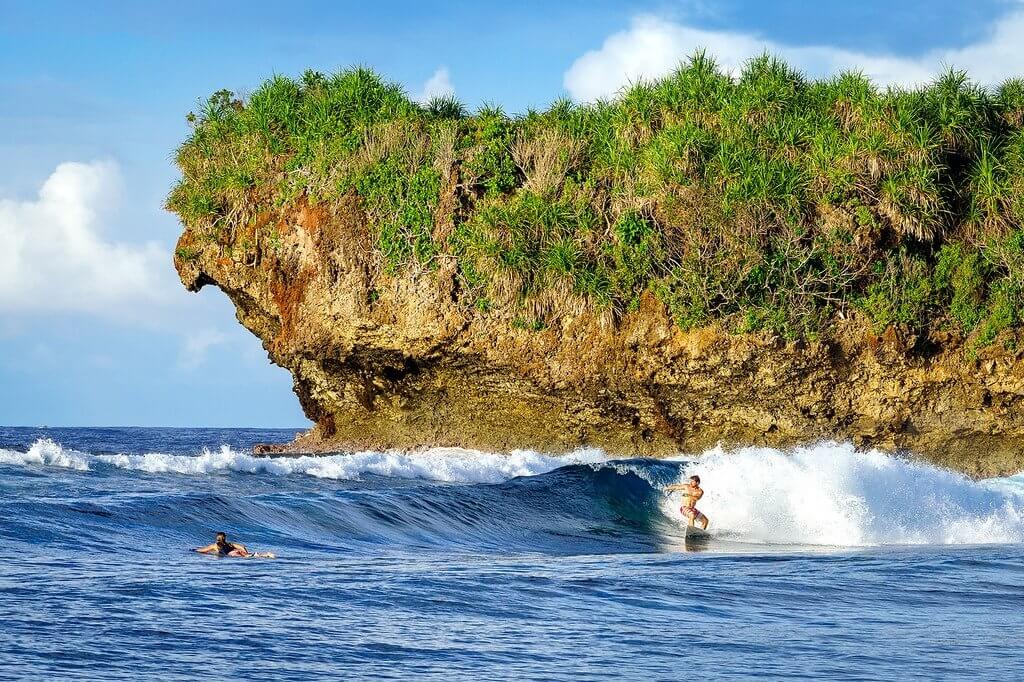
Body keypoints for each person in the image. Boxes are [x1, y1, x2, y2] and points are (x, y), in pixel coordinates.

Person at [194, 532, 274, 558]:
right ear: (224, 538)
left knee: (247, 557)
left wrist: (194, 550)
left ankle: (263, 555)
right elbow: (241, 547)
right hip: (236, 551)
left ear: (217, 538)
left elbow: (202, 550)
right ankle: (266, 554)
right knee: (249, 555)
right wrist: (245, 552)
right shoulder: (230, 544)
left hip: (232, 553)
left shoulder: (215, 545)